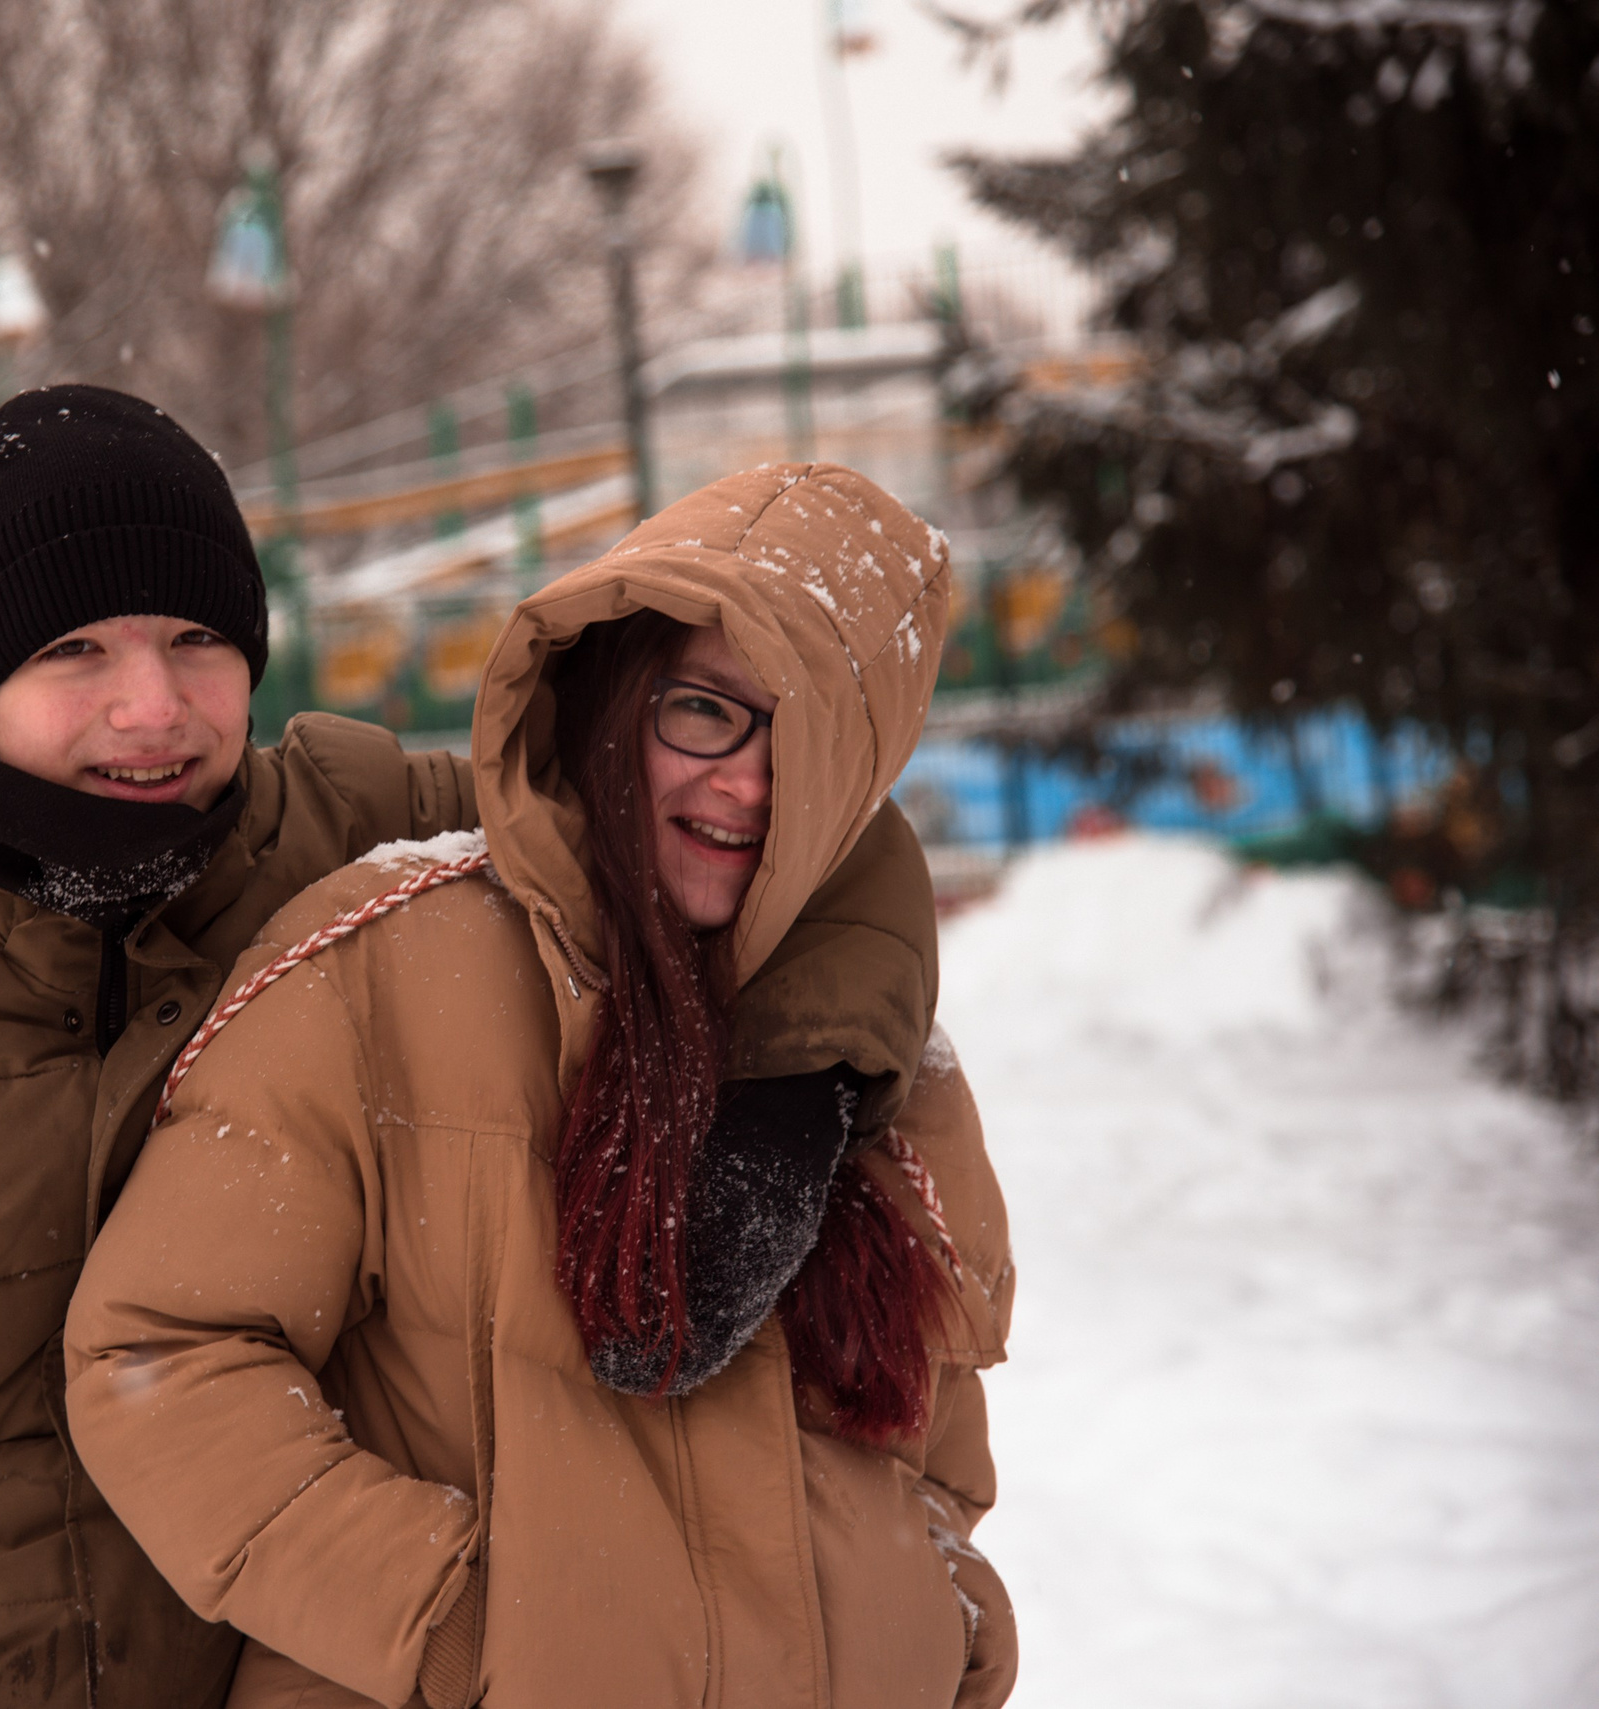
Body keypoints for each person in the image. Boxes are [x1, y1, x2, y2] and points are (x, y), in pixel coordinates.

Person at [0, 388, 940, 1709]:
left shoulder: (338, 836)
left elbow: (737, 814)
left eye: (197, 640)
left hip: (246, 1653)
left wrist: (794, 1074)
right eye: (76, 649)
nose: (150, 708)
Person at [63, 462, 1017, 1709]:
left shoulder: (884, 1064)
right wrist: (462, 1626)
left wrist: (943, 1620)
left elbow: (933, 1447)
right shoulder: (385, 964)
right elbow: (164, 1356)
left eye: (808, 733)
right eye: (704, 712)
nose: (745, 779)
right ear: (618, 695)